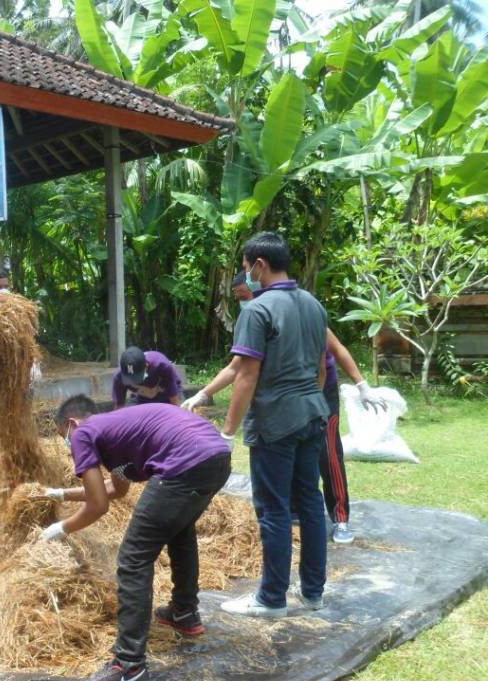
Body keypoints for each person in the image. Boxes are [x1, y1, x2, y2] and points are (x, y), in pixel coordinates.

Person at [37, 395, 231, 681]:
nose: (67, 443)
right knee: (180, 530)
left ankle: (130, 669)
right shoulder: (116, 433)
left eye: (64, 435)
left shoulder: (84, 433)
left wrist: (61, 528)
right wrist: (61, 494)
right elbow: (115, 489)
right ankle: (184, 612)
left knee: (132, 559)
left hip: (185, 461)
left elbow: (98, 506)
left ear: (72, 424)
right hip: (216, 455)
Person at [183, 328, 386, 546]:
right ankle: (294, 509)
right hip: (287, 396)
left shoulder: (310, 316)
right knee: (290, 450)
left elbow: (335, 354)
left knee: (328, 454)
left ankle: (341, 519)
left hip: (320, 394)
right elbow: (237, 367)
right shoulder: (262, 324)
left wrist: (362, 385)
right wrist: (203, 394)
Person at [216, 232, 330, 619]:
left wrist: (227, 432)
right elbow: (319, 369)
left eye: (247, 268)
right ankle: (313, 592)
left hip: (275, 423)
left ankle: (271, 597)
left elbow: (246, 375)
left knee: (274, 509)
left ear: (259, 265)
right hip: (313, 414)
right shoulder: (313, 305)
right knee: (311, 502)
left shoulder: (257, 311)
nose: (245, 275)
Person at [111, 346, 183, 408]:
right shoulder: (119, 377)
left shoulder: (163, 367)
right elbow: (119, 407)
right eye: (131, 379)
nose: (135, 382)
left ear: (146, 366)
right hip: (141, 397)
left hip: (167, 395)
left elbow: (175, 402)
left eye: (137, 377)